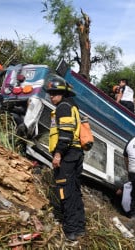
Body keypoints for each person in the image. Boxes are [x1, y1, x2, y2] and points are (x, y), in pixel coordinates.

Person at [47, 77, 85, 241]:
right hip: (76, 154)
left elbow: (65, 135)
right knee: (75, 191)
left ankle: (71, 231)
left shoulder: (63, 107)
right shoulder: (72, 106)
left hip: (67, 155)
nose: (51, 96)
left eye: (54, 93)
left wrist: (58, 154)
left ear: (62, 93)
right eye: (50, 93)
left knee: (65, 193)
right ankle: (80, 227)